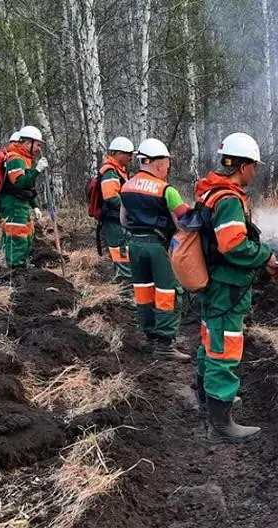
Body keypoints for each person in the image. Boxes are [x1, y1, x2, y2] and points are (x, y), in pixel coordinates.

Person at [195, 132, 278, 441]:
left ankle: (207, 401)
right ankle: (221, 423)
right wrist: (266, 256)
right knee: (225, 347)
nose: (255, 172)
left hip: (213, 282)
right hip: (226, 286)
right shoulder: (228, 200)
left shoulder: (210, 192)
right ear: (243, 165)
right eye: (254, 166)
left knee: (210, 339)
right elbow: (234, 247)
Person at [119, 138, 191, 361]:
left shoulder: (127, 185)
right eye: (167, 165)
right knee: (167, 293)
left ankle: (149, 335)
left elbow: (123, 219)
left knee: (143, 291)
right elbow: (185, 221)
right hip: (158, 246)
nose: (167, 169)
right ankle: (165, 345)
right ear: (159, 164)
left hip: (135, 245)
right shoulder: (166, 190)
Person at [0, 126, 46, 268]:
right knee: (17, 233)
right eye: (37, 145)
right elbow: (19, 183)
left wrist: (35, 205)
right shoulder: (15, 158)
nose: (39, 148)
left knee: (26, 231)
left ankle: (21, 265)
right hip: (13, 203)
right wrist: (37, 170)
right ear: (27, 143)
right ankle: (16, 269)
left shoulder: (24, 159)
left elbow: (27, 188)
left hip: (21, 202)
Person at [98, 137, 136, 300]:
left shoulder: (118, 170)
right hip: (115, 222)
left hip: (119, 221)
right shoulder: (110, 172)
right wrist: (131, 209)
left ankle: (124, 293)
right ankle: (125, 296)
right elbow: (111, 197)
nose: (131, 158)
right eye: (128, 154)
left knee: (124, 256)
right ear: (119, 153)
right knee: (123, 257)